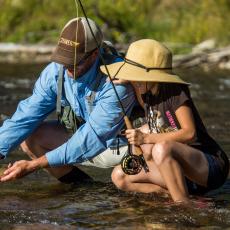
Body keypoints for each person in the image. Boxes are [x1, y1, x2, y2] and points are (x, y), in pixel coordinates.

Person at [0, 17, 136, 183]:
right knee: (30, 138)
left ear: (94, 55)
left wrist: (34, 165)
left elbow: (92, 138)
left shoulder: (117, 81)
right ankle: (83, 189)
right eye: (63, 59)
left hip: (121, 147)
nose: (67, 67)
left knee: (121, 179)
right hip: (82, 141)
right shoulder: (56, 72)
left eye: (74, 62)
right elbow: (25, 117)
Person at [100, 39, 229, 203]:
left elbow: (189, 133)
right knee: (120, 176)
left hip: (209, 166)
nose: (134, 80)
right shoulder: (145, 90)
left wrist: (145, 139)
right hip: (179, 173)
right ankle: (187, 198)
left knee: (160, 148)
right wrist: (129, 79)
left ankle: (184, 206)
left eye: (136, 76)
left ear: (155, 76)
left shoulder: (174, 91)